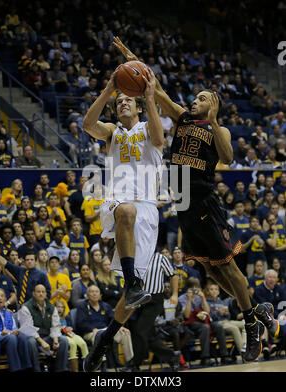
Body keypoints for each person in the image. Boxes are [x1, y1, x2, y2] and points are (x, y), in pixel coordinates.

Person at [111, 36, 280, 364]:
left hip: (204, 203)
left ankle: (251, 324)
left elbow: (228, 157)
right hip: (183, 206)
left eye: (201, 98)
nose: (194, 100)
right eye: (195, 97)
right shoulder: (181, 118)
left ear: (212, 105)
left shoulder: (219, 129)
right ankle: (258, 310)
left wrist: (215, 122)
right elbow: (153, 85)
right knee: (213, 272)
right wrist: (130, 60)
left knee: (229, 269)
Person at [82, 46, 164, 371]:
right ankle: (131, 282)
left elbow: (158, 138)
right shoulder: (112, 132)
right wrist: (108, 89)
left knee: (132, 296)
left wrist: (149, 92)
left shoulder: (147, 128)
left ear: (138, 103)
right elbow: (89, 123)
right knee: (126, 211)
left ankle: (106, 338)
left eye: (127, 99)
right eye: (119, 102)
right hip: (118, 200)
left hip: (148, 209)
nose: (122, 102)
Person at [76, 284, 134, 368]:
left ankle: (130, 363)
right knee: (98, 336)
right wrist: (92, 329)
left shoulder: (105, 306)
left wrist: (119, 327)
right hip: (90, 333)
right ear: (87, 295)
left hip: (106, 330)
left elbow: (113, 320)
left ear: (100, 295)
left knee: (125, 333)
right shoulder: (82, 307)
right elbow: (80, 323)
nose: (94, 294)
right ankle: (100, 364)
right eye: (92, 292)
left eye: (96, 292)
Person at [17, 284, 68, 372]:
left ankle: (60, 369)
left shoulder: (51, 307)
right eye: (38, 292)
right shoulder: (26, 307)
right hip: (33, 337)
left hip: (47, 337)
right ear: (34, 294)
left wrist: (55, 340)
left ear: (46, 294)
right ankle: (36, 369)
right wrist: (42, 342)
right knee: (31, 342)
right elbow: (29, 329)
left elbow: (55, 326)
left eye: (43, 292)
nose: (41, 294)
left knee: (63, 340)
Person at [0, 288, 32, 372]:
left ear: (5, 299)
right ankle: (15, 369)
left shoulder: (8, 313)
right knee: (11, 338)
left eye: (2, 296)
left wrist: (16, 331)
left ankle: (26, 367)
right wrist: (2, 333)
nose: (0, 298)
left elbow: (14, 328)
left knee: (22, 336)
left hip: (7, 338)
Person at [206, 282, 246, 358]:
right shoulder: (207, 302)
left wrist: (226, 313)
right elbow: (209, 317)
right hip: (217, 323)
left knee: (245, 325)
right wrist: (218, 312)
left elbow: (228, 317)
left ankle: (244, 345)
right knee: (234, 328)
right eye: (211, 289)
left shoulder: (222, 302)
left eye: (216, 289)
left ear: (218, 292)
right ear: (207, 292)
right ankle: (244, 354)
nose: (214, 291)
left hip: (227, 321)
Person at [55, 300, 88, 372]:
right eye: (58, 307)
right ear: (54, 308)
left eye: (62, 307)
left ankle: (87, 367)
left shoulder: (66, 317)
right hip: (61, 336)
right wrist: (60, 328)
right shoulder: (52, 318)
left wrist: (69, 328)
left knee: (83, 343)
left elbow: (71, 327)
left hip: (70, 334)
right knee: (73, 344)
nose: (60, 309)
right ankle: (74, 369)